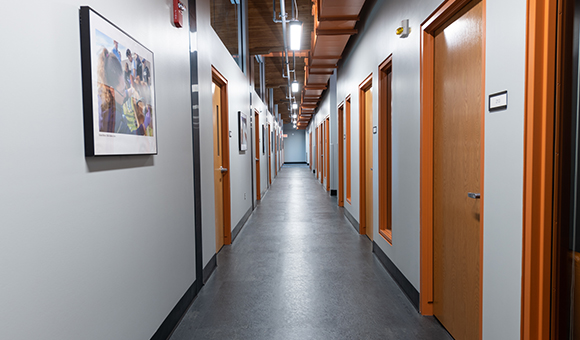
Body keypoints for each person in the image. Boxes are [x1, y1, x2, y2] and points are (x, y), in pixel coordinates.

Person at [97, 48, 150, 135]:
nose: (124, 93)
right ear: (112, 91)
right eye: (122, 90)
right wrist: (145, 124)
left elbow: (123, 95)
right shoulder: (114, 120)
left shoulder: (104, 96)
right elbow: (132, 138)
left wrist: (133, 89)